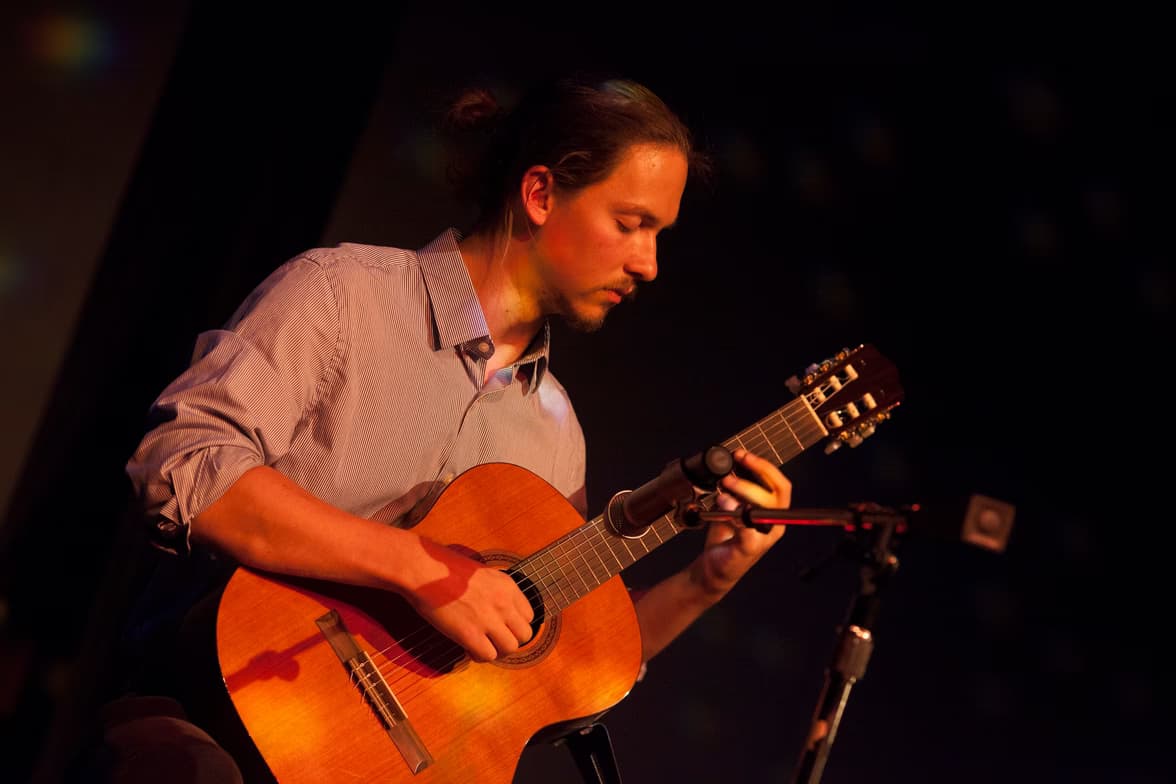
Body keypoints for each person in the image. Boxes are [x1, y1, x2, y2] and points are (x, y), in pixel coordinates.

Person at [78, 73, 792, 783]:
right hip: (212, 716)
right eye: (631, 223)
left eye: (658, 234)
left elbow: (566, 674)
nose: (649, 264)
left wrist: (705, 581)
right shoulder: (343, 296)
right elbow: (184, 465)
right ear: (540, 194)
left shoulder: (555, 433)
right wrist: (423, 569)